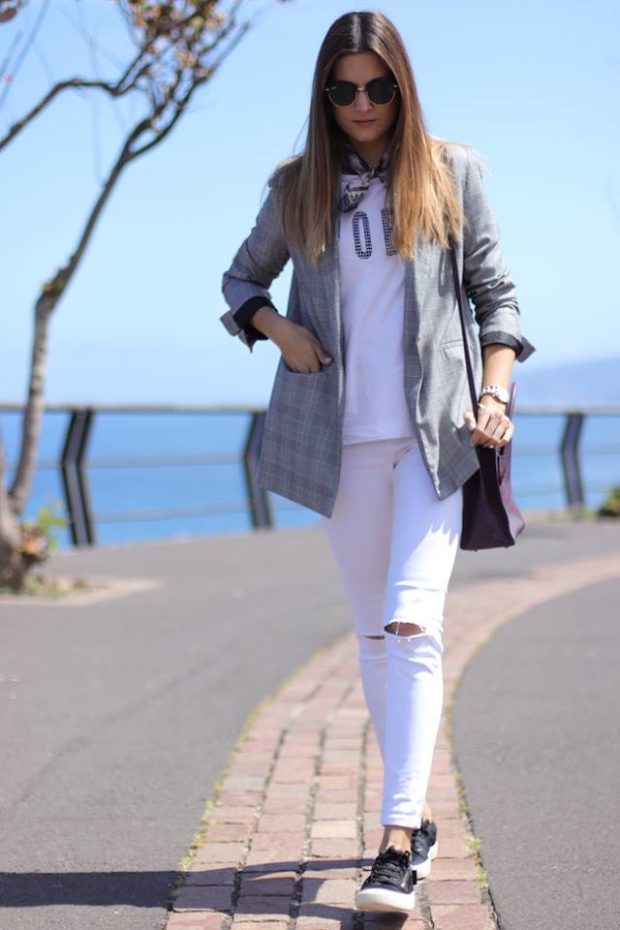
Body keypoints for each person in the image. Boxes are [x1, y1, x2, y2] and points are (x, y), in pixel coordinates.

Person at [220, 9, 535, 917]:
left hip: (438, 441)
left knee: (411, 624)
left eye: (378, 86)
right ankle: (418, 818)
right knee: (373, 636)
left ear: (403, 85)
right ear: (324, 94)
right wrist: (281, 331)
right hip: (341, 443)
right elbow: (241, 280)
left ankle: (395, 842)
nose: (362, 103)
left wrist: (496, 393)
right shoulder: (298, 188)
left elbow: (497, 296)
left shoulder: (451, 172)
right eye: (344, 89)